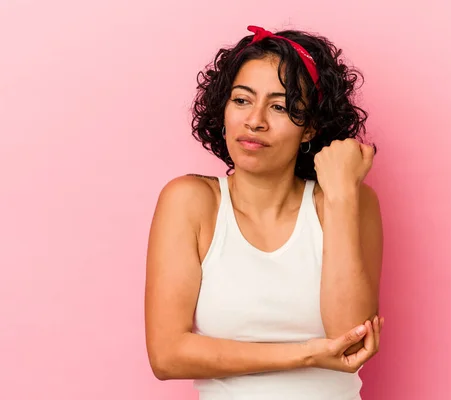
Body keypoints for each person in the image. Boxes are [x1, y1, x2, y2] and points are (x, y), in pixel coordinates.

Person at [144, 25, 384, 399]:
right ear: (221, 109)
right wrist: (308, 354)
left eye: (280, 106)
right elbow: (167, 355)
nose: (254, 120)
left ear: (310, 128)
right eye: (241, 100)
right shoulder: (189, 201)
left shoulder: (349, 200)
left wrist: (340, 193)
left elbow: (351, 342)